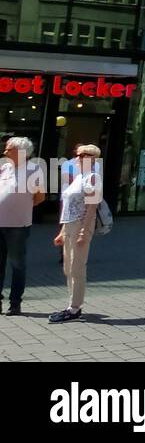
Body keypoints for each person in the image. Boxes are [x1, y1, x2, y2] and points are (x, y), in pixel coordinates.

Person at [50, 144, 106, 322]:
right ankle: (71, 304)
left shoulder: (93, 178)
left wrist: (83, 231)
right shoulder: (78, 177)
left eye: (83, 155)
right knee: (68, 267)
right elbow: (68, 207)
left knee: (77, 267)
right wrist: (62, 231)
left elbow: (92, 207)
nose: (79, 158)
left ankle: (75, 307)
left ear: (93, 158)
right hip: (69, 225)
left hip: (81, 225)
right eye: (78, 155)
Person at [0, 137, 45, 316]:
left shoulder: (33, 170)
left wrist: (21, 207)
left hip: (18, 225)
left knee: (17, 264)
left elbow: (40, 197)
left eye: (8, 149)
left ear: (21, 152)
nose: (5, 152)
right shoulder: (4, 167)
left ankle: (15, 303)